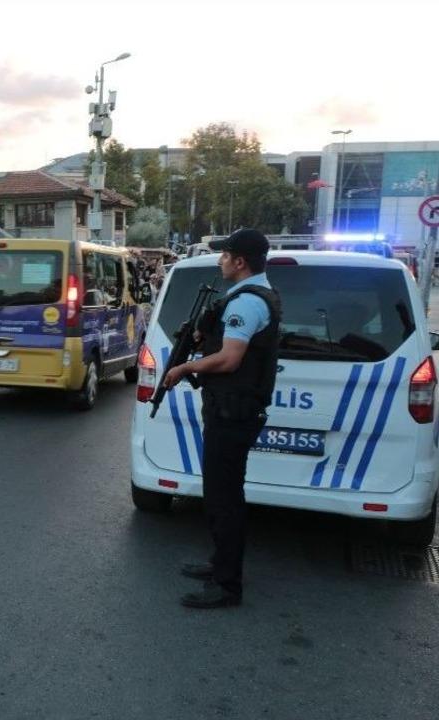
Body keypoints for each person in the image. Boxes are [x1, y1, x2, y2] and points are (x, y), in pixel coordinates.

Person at [162, 228, 281, 610]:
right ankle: (219, 565)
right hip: (231, 408)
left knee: (224, 498)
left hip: (234, 412)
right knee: (220, 494)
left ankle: (228, 585)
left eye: (225, 255)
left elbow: (230, 359)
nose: (220, 261)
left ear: (240, 261)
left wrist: (185, 368)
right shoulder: (252, 295)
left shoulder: (246, 303)